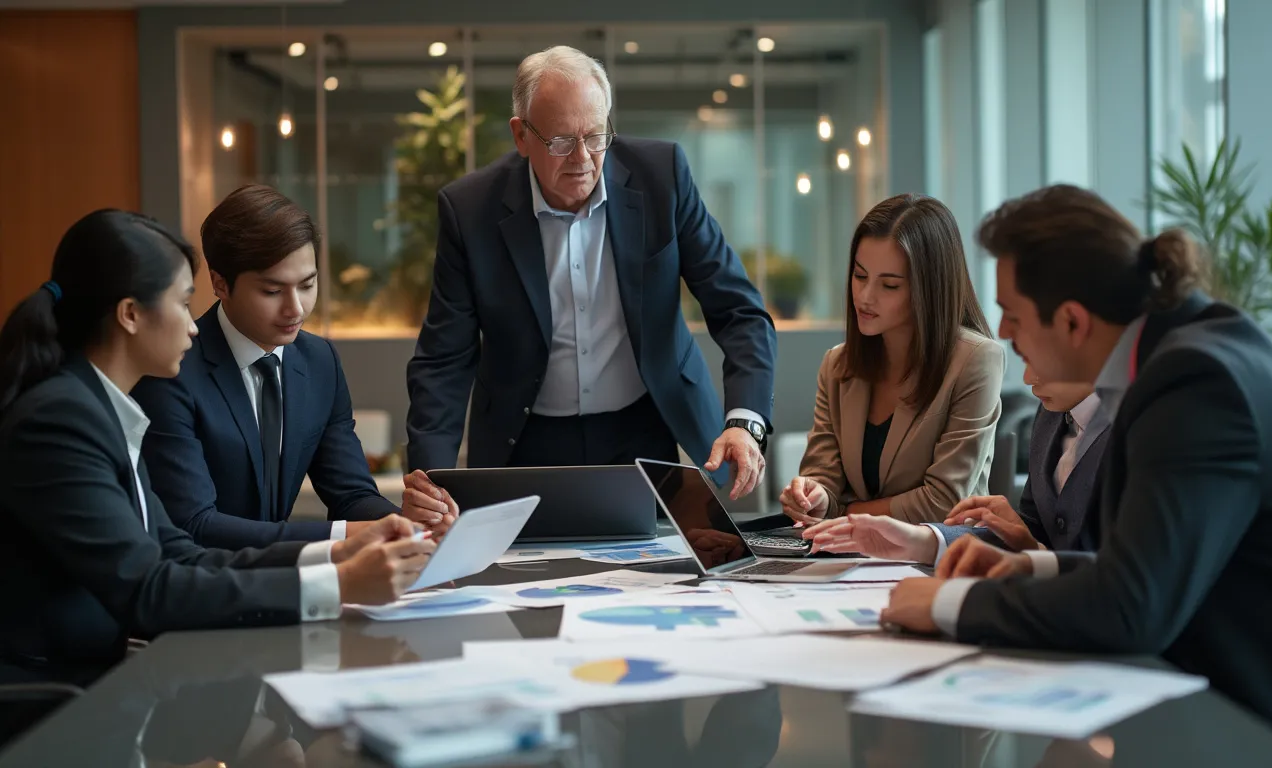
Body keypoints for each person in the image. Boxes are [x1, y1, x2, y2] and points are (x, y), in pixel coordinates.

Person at [877, 184, 1272, 727]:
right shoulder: (1183, 355)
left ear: (1073, 322)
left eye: (1012, 314)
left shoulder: (1195, 383)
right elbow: (1145, 567)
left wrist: (947, 606)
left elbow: (1132, 607)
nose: (1002, 332)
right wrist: (1029, 566)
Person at [0, 210, 432, 690]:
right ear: (130, 314)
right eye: (183, 304)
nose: (193, 326)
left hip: (98, 682)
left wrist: (338, 557)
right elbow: (149, 589)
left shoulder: (96, 408)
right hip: (52, 703)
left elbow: (179, 555)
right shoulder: (61, 420)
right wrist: (337, 584)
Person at [405, 45, 777, 499]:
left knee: (657, 565)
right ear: (521, 136)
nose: (582, 158)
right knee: (525, 568)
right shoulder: (470, 210)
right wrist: (430, 481)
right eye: (561, 142)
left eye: (596, 136)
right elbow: (444, 359)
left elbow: (738, 310)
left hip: (644, 426)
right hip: (525, 439)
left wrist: (744, 420)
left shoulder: (662, 178)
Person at [131, 185, 457, 550]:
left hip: (284, 585)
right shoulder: (171, 370)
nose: (296, 309)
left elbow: (350, 494)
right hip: (203, 588)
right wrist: (353, 534)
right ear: (220, 283)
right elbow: (194, 524)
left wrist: (402, 520)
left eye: (307, 285)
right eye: (272, 291)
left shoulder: (319, 362)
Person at [778, 194, 1004, 526]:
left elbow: (943, 502)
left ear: (929, 289)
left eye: (889, 285)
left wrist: (846, 513)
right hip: (849, 558)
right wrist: (813, 497)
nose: (865, 297)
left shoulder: (976, 360)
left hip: (937, 561)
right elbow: (823, 476)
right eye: (859, 275)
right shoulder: (837, 366)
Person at [805, 362, 1108, 563]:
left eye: (1038, 355)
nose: (1027, 377)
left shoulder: (1139, 431)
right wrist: (921, 540)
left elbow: (1122, 584)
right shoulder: (1051, 416)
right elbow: (1035, 536)